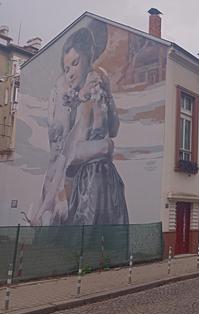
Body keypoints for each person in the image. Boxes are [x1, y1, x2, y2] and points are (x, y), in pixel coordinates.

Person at [43, 22, 128, 226]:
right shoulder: (67, 98)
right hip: (83, 184)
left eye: (75, 63)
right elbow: (65, 154)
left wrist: (105, 94)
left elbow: (114, 129)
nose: (70, 73)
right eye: (66, 68)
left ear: (89, 55)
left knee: (108, 240)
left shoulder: (98, 84)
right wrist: (103, 147)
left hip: (106, 179)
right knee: (87, 237)